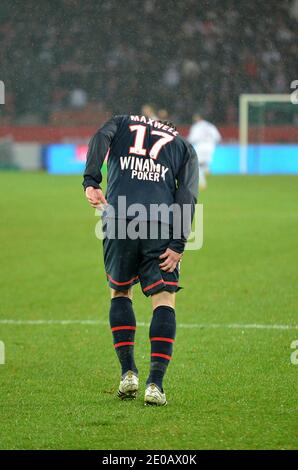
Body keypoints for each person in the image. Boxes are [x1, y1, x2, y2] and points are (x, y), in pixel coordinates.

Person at [83, 114, 199, 406]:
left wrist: (91, 180)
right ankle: (155, 385)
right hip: (159, 223)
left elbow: (99, 137)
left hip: (119, 217)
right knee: (163, 298)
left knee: (121, 291)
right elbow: (186, 195)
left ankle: (128, 374)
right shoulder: (182, 145)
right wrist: (179, 243)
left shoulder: (121, 123)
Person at [187, 113, 221, 190]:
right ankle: (207, 169)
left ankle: (202, 182)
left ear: (198, 118)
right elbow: (218, 138)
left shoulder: (196, 127)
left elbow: (192, 139)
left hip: (200, 146)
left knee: (197, 164)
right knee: (203, 164)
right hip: (210, 147)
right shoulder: (211, 126)